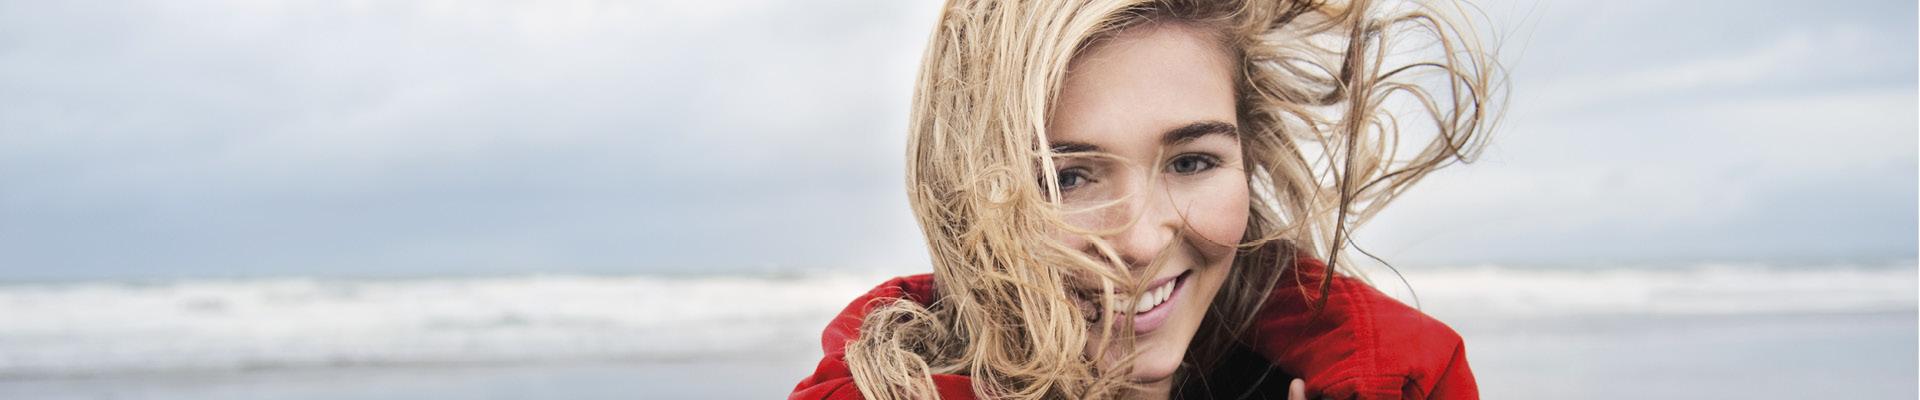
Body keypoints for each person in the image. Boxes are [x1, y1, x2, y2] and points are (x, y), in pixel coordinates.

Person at [793, 0, 1500, 398]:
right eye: (1067, 177)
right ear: (966, 188)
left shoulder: (1394, 380)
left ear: (1250, 160)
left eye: (1192, 161)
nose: (1137, 240)